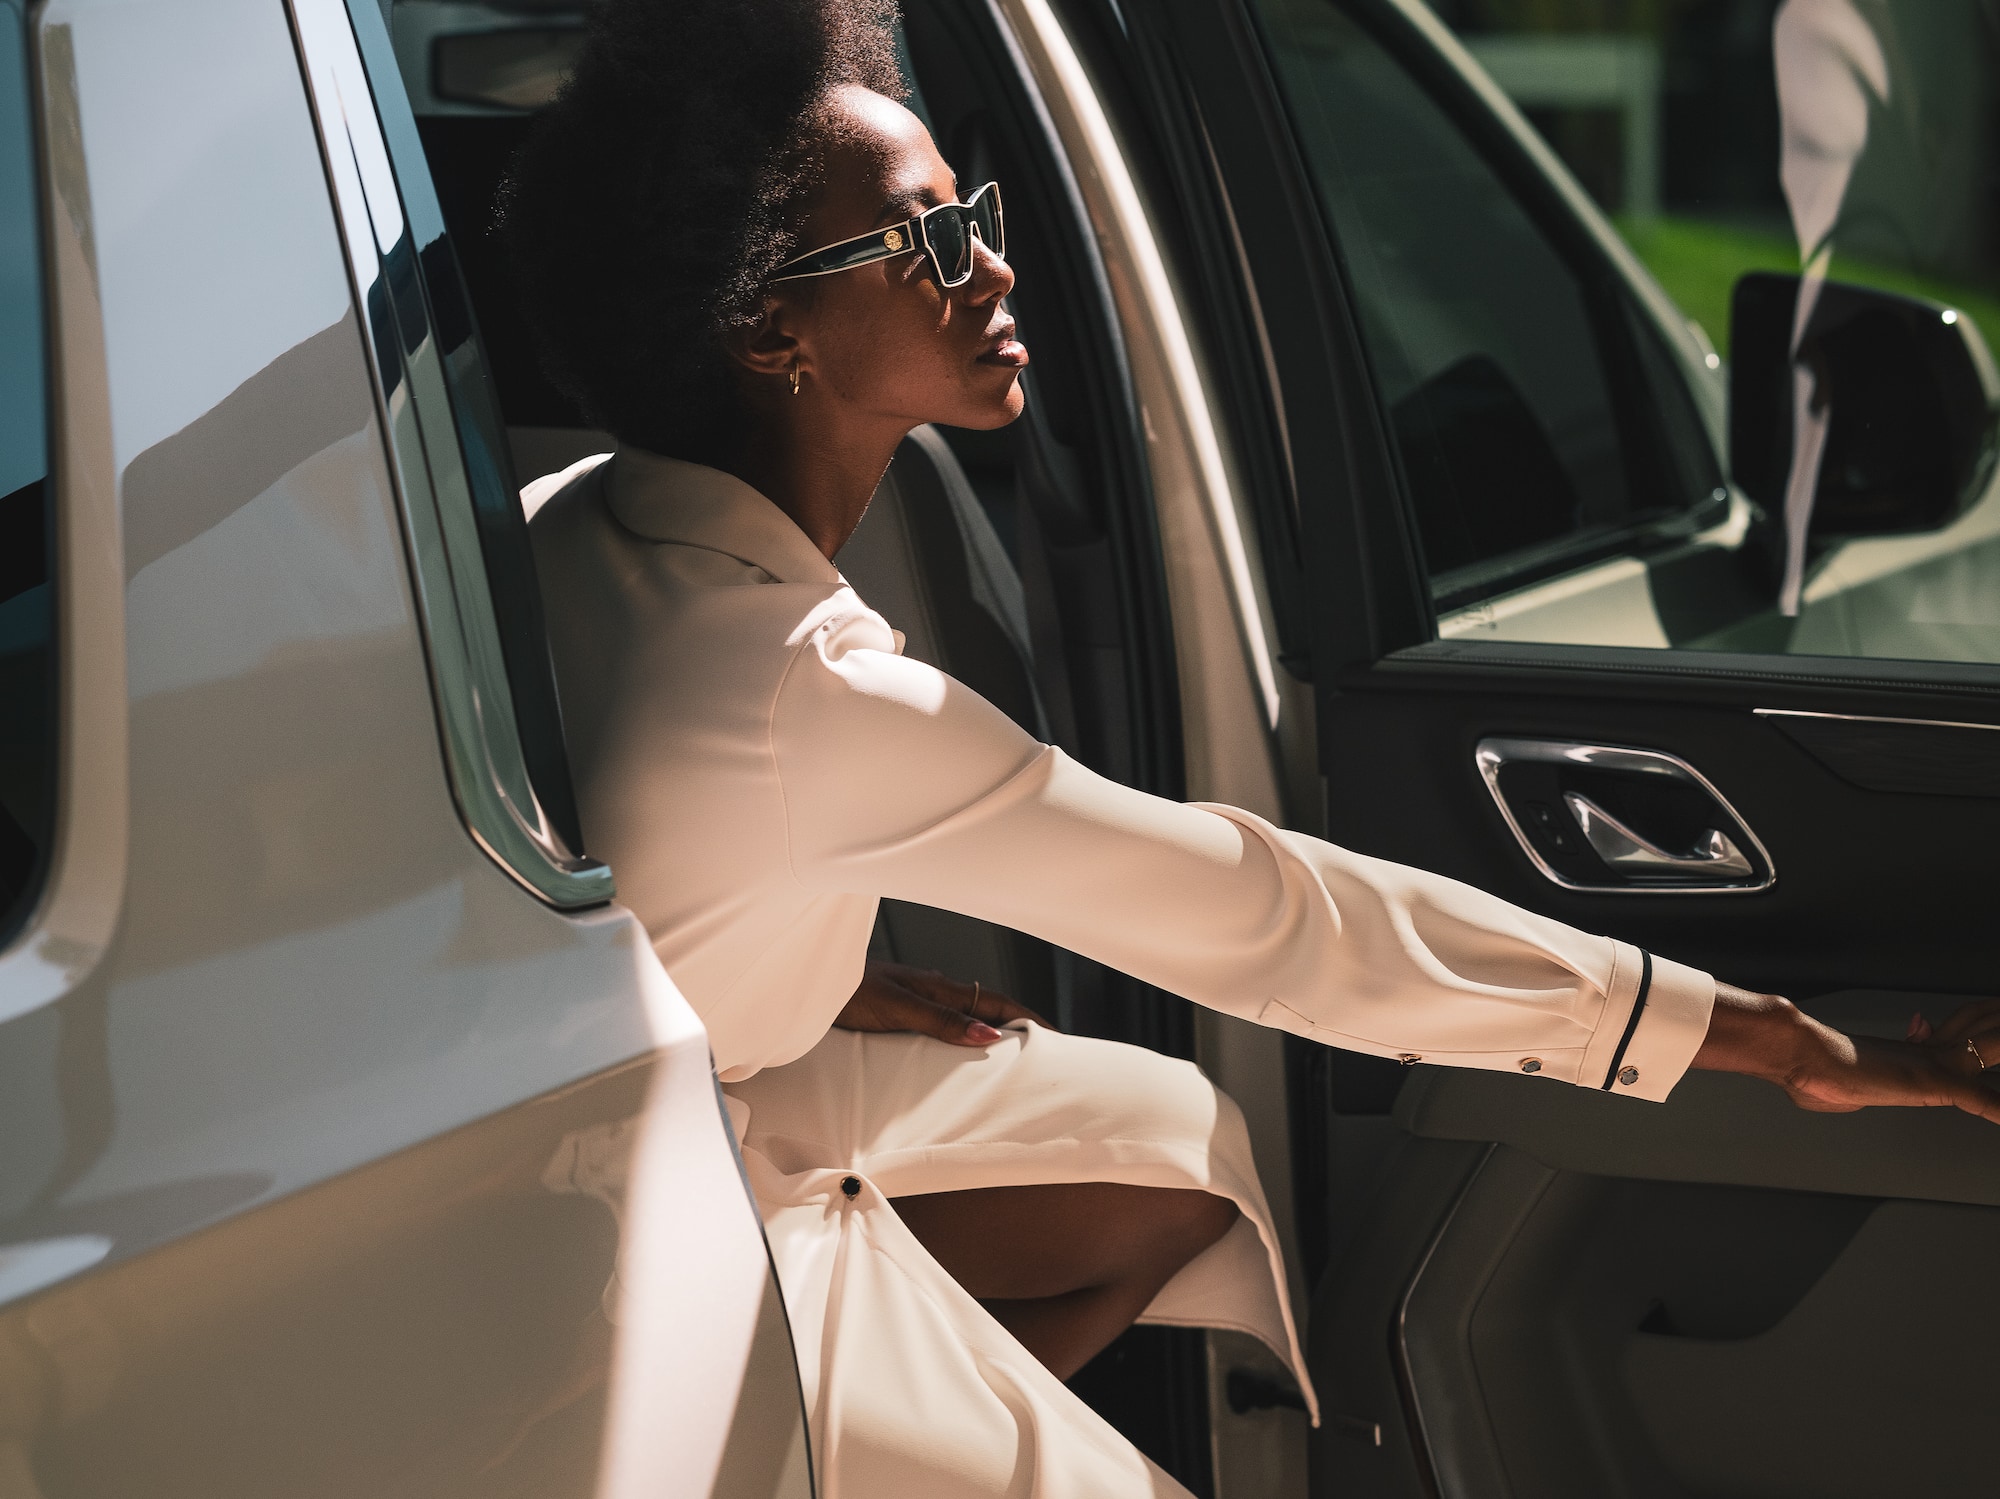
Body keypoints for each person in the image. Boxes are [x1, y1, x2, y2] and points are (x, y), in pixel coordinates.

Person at [503, 0, 2000, 1492]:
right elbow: (1282, 919)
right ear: (773, 330)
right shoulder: (808, 695)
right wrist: (1790, 1048)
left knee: (1184, 1149)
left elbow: (618, 863)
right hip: (661, 1211)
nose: (997, 265)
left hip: (659, 1099)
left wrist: (786, 966)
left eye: (979, 213)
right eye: (929, 241)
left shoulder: (566, 521)